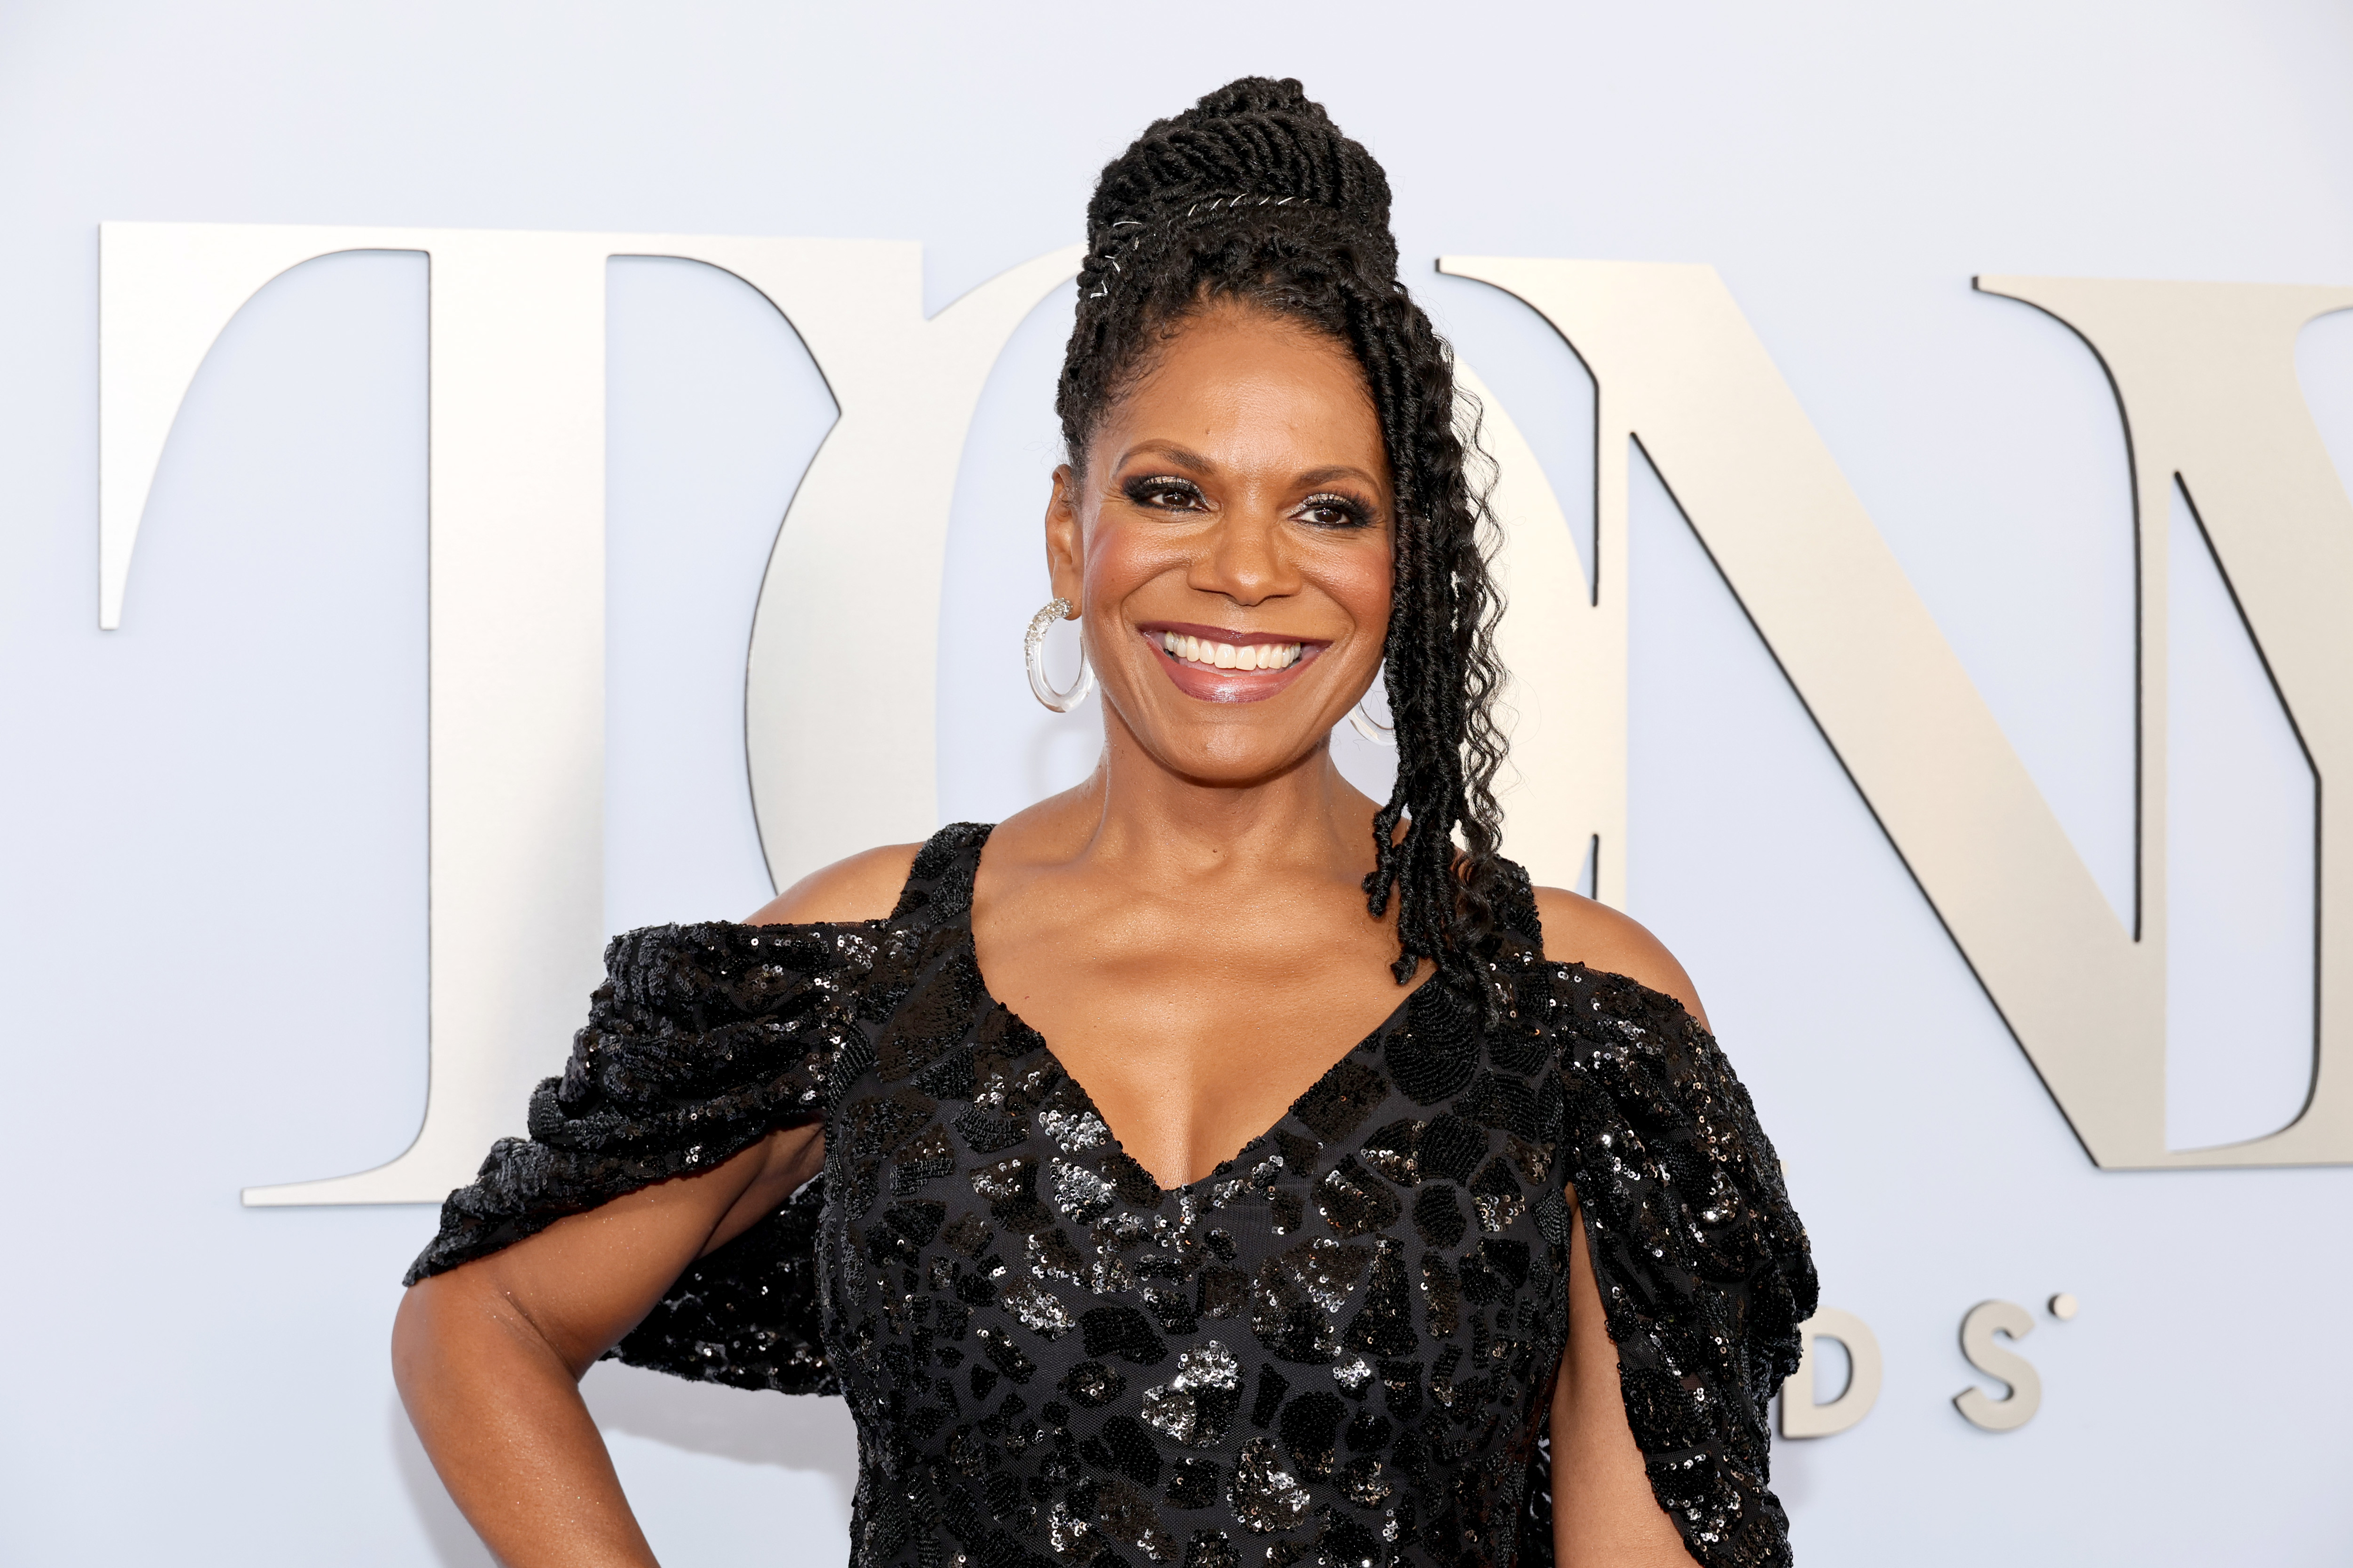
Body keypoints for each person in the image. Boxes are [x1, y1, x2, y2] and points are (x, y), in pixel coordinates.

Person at [392, 77, 1816, 1568]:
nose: (1248, 571)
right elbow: (477, 1316)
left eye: (1328, 508)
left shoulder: (1580, 1014)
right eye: (1172, 491)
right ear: (1071, 533)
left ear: (1411, 563)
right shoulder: (873, 961)